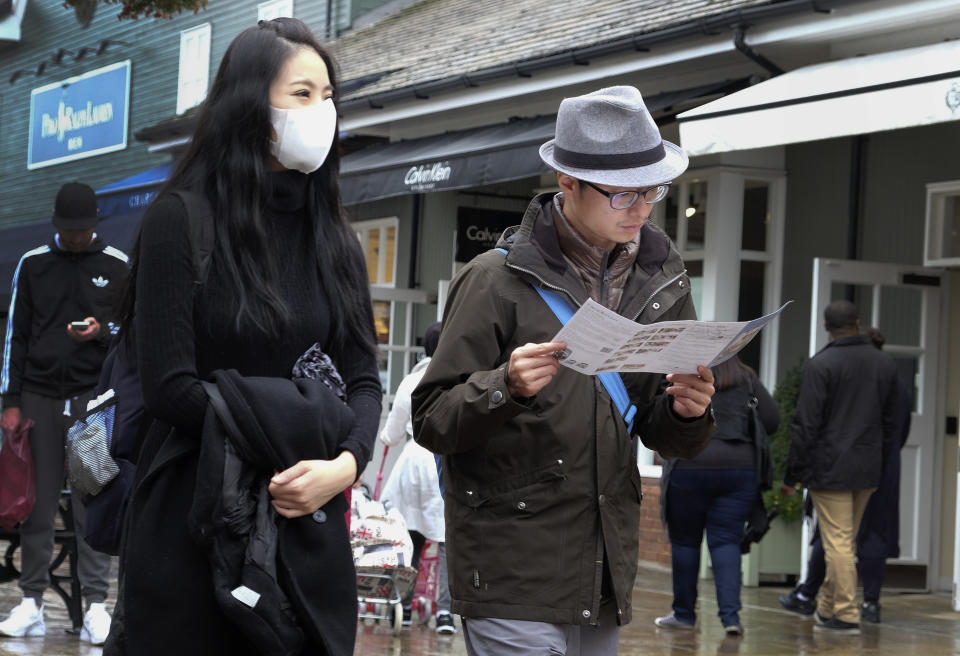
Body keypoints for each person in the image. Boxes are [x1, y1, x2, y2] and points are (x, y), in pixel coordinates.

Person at [103, 18, 381, 656]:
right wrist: (296, 431)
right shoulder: (184, 218)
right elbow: (170, 387)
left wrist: (343, 467)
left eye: (329, 95)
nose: (322, 111)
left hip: (307, 518)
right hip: (191, 514)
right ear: (251, 105)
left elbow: (364, 379)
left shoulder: (333, 235)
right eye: (302, 95)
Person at [412, 86, 716, 656]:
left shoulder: (661, 276)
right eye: (623, 194)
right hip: (510, 563)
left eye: (654, 189)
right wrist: (505, 387)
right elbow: (430, 418)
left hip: (604, 564)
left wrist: (688, 411)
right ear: (567, 182)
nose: (644, 208)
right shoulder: (494, 279)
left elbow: (659, 428)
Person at [0, 181, 127, 645]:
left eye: (83, 229)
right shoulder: (32, 264)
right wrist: (9, 401)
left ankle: (96, 605)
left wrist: (100, 331)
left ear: (95, 223)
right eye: (68, 230)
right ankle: (31, 600)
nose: (75, 237)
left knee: (91, 499)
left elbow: (129, 331)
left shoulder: (118, 265)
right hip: (38, 394)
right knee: (36, 501)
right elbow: (17, 333)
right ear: (57, 225)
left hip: (94, 399)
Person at [781, 301, 899, 635]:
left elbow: (806, 425)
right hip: (867, 467)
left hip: (830, 468)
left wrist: (792, 474)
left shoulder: (822, 364)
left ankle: (846, 613)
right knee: (843, 541)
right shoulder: (884, 363)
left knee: (839, 543)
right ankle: (827, 607)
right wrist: (882, 461)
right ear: (858, 324)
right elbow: (891, 423)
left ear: (825, 327)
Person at [655, 355, 779, 636]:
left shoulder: (683, 374)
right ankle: (731, 618)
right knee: (726, 542)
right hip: (739, 467)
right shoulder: (745, 376)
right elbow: (772, 420)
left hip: (690, 463)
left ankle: (684, 615)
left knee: (685, 542)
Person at [378, 322, 456, 634]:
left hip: (412, 461)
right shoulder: (456, 378)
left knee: (408, 539)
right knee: (448, 540)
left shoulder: (410, 381)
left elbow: (391, 435)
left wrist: (387, 435)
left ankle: (405, 607)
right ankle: (446, 615)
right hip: (444, 461)